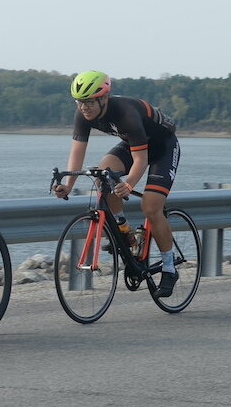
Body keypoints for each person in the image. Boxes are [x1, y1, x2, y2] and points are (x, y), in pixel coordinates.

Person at [50, 70, 182, 297]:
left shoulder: (125, 113)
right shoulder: (82, 114)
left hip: (162, 147)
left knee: (150, 207)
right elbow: (77, 153)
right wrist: (69, 185)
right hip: (132, 144)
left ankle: (169, 268)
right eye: (80, 102)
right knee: (104, 176)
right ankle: (123, 229)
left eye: (89, 102)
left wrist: (129, 184)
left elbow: (141, 160)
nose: (84, 107)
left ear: (103, 98)